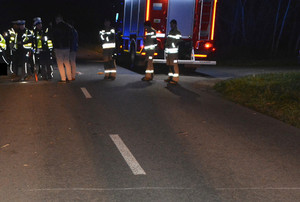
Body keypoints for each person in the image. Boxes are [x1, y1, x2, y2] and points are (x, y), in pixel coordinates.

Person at [52, 14, 72, 83]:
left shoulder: (56, 27)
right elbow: (71, 36)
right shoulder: (68, 27)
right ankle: (69, 77)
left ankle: (63, 78)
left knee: (60, 63)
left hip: (59, 47)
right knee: (67, 62)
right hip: (67, 47)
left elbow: (54, 37)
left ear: (57, 19)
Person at [164, 19, 182, 85]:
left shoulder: (177, 32)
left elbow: (179, 41)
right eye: (170, 24)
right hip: (169, 52)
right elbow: (168, 41)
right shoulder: (170, 32)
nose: (171, 25)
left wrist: (173, 45)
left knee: (174, 65)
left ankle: (175, 79)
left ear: (175, 24)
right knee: (170, 65)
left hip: (174, 52)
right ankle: (170, 77)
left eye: (172, 24)